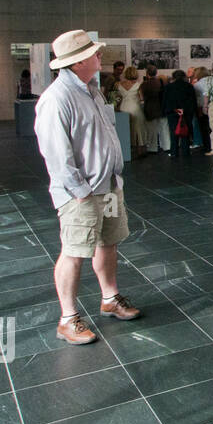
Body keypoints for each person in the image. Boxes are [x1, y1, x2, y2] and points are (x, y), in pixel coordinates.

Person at [34, 30, 142, 346]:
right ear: (79, 61)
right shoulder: (56, 99)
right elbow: (56, 155)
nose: (100, 56)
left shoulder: (91, 91)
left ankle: (109, 298)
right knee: (74, 251)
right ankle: (67, 319)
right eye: (95, 53)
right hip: (82, 193)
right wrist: (79, 190)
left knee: (108, 241)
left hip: (107, 186)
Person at [162, 69, 197, 158]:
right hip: (186, 113)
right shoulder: (189, 86)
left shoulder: (168, 87)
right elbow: (192, 101)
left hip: (172, 112)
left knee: (173, 132)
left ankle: (174, 152)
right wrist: (187, 110)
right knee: (185, 132)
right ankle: (186, 152)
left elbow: (165, 101)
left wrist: (168, 111)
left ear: (173, 77)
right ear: (184, 77)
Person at [116, 65, 146, 155]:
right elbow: (141, 99)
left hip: (123, 107)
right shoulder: (139, 85)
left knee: (126, 130)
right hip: (135, 109)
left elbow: (118, 97)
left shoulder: (119, 84)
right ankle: (139, 150)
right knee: (138, 130)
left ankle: (126, 150)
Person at [140, 64, 166, 154]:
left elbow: (142, 97)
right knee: (163, 128)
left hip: (150, 107)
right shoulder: (161, 82)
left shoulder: (144, 84)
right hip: (161, 107)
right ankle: (166, 146)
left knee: (151, 129)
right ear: (156, 72)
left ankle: (152, 147)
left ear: (147, 73)